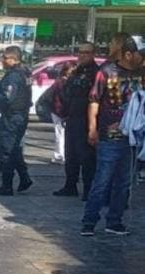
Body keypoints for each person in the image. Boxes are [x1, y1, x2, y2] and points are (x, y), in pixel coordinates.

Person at [80, 34, 144, 236]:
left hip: (131, 137)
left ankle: (114, 220)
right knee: (102, 180)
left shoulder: (141, 72)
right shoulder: (107, 71)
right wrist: (92, 128)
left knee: (124, 182)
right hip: (110, 136)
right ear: (128, 54)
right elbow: (94, 100)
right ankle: (89, 221)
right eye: (140, 54)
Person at [55, 42, 99, 200]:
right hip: (72, 117)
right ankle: (70, 185)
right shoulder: (76, 71)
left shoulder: (96, 73)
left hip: (86, 120)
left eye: (86, 52)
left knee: (87, 157)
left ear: (93, 54)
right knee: (70, 154)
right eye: (80, 52)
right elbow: (67, 91)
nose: (82, 55)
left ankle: (88, 189)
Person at [0, 46, 33, 196]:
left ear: (14, 59)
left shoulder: (13, 76)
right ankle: (24, 178)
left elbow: (7, 98)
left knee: (6, 151)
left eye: (5, 58)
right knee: (14, 149)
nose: (2, 60)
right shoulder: (24, 73)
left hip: (12, 117)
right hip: (19, 116)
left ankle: (7, 186)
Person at [48, 62, 76, 164]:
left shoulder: (61, 81)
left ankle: (60, 155)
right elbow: (61, 99)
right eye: (71, 70)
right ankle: (60, 155)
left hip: (59, 111)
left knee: (61, 134)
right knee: (61, 134)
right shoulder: (63, 82)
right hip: (60, 111)